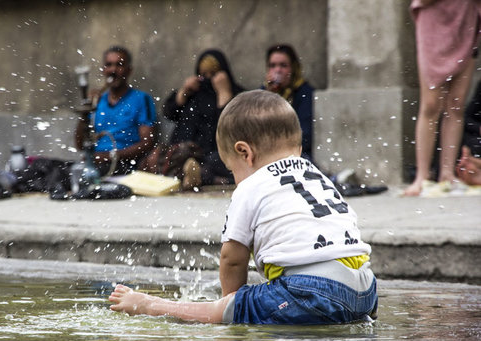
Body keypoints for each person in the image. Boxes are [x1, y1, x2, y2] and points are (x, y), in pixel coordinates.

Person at [109, 90, 378, 324]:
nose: (235, 177)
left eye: (231, 170)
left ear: (244, 153)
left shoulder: (252, 186)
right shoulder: (317, 177)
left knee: (228, 308)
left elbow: (232, 258)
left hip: (312, 292)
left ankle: (148, 305)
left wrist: (232, 305)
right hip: (365, 289)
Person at [404, 0, 481, 196]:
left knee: (456, 105)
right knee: (430, 105)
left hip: (465, 16)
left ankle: (447, 173)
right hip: (434, 19)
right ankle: (421, 176)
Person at [157, 49, 244, 190]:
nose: (209, 79)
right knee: (167, 159)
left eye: (213, 73)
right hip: (186, 153)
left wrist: (225, 97)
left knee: (220, 162)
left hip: (215, 155)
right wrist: (183, 93)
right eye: (203, 75)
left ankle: (197, 176)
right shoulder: (194, 95)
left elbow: (233, 128)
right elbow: (169, 113)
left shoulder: (236, 94)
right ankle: (195, 176)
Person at [75, 46, 157, 176]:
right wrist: (85, 112)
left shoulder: (141, 99)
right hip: (96, 163)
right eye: (109, 65)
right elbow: (80, 145)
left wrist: (109, 156)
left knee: (86, 175)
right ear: (104, 70)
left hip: (125, 164)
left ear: (129, 70)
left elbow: (147, 143)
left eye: (119, 65)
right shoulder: (97, 101)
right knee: (43, 167)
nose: (113, 70)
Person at [263, 44, 315, 162]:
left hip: (294, 152)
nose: (278, 70)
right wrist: (269, 96)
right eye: (273, 66)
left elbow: (304, 136)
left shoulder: (304, 92)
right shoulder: (263, 92)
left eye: (283, 65)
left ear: (293, 68)